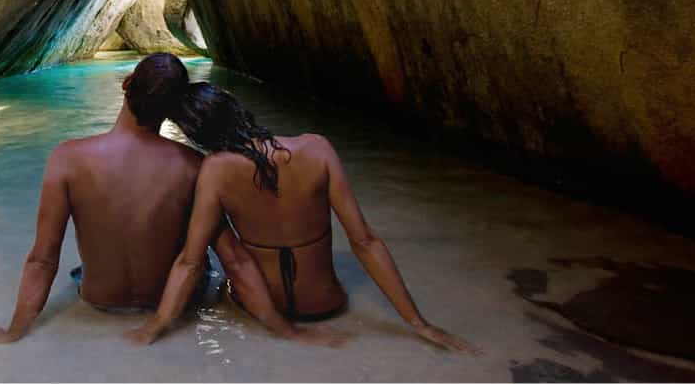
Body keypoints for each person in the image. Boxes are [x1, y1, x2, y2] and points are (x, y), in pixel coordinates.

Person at [0, 54, 345, 346]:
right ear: (173, 111)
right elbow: (235, 260)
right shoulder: (193, 166)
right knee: (197, 256)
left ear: (125, 86)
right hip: (175, 303)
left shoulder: (67, 158)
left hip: (99, 301)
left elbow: (42, 258)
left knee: (81, 265)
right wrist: (286, 330)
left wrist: (13, 331)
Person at [124, 82, 477, 352]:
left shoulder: (214, 170)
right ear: (236, 108)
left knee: (210, 233)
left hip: (259, 307)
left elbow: (190, 262)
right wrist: (420, 324)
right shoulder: (316, 148)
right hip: (327, 304)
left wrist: (156, 325)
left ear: (196, 136)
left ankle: (279, 328)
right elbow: (364, 241)